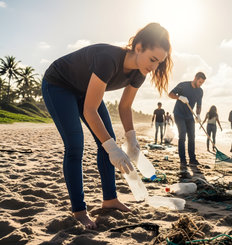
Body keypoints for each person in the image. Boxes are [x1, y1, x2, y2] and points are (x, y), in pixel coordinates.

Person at [41, 23, 172, 229]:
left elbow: (125, 106)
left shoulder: (140, 71)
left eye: (160, 62)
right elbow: (89, 111)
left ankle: (110, 199)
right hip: (59, 85)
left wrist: (132, 140)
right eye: (153, 59)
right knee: (76, 146)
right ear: (138, 48)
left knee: (107, 139)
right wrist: (112, 148)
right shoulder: (108, 59)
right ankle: (79, 211)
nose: (155, 67)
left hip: (85, 89)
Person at [168, 72, 205, 165]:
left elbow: (199, 105)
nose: (200, 84)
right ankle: (183, 160)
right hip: (178, 114)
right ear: (195, 78)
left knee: (192, 137)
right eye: (200, 82)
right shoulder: (183, 85)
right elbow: (170, 94)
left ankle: (192, 159)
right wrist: (179, 97)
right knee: (182, 135)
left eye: (202, 83)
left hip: (189, 116)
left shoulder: (200, 91)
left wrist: (198, 115)